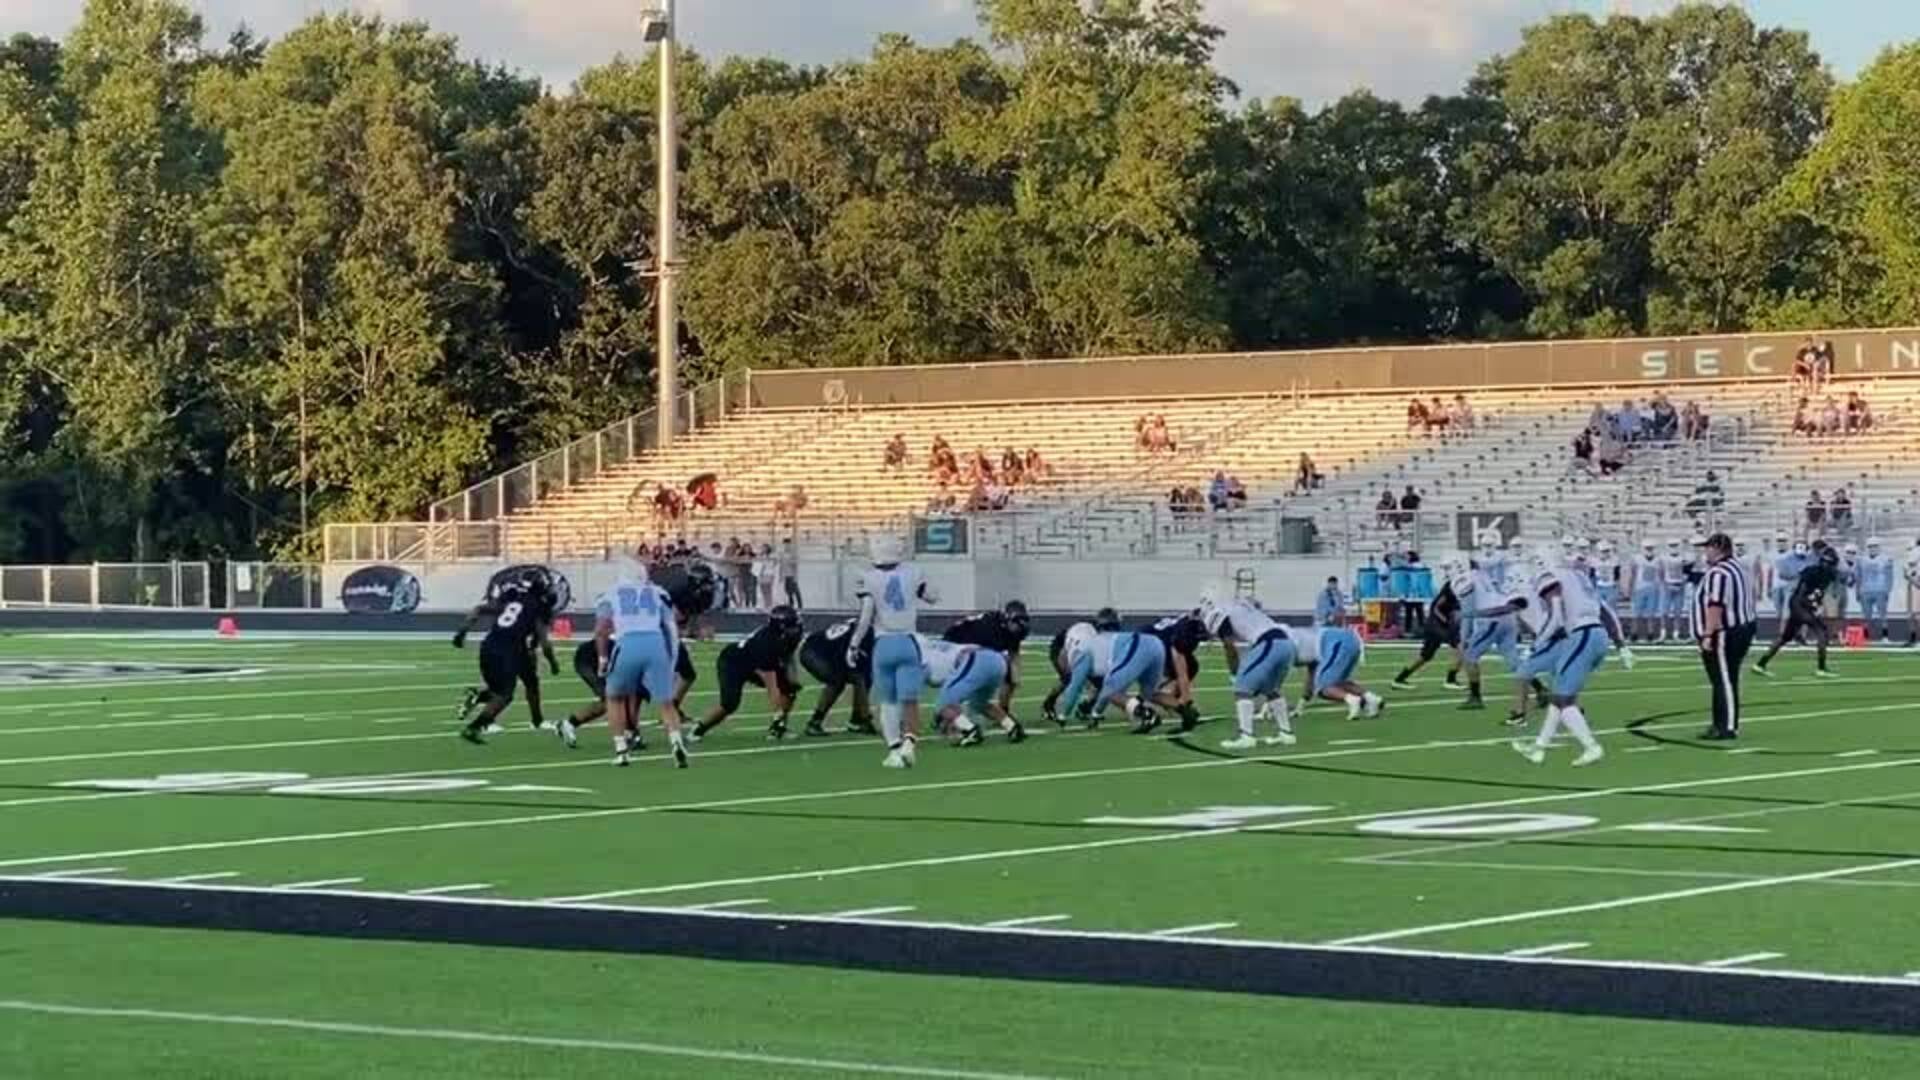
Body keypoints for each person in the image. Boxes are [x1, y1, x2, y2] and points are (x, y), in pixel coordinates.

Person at [1498, 565, 1632, 767]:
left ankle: (1591, 747)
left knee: (1564, 700)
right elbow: (1606, 611)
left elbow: (1556, 617)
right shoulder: (1580, 577)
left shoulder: (1550, 577)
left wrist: (1535, 646)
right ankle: (1539, 748)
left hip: (1582, 635)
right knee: (1559, 695)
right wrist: (1621, 645)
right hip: (1596, 635)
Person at [850, 534, 939, 768]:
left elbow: (866, 616)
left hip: (883, 644)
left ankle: (894, 750)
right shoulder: (912, 572)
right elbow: (933, 597)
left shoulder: (867, 578)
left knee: (887, 702)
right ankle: (910, 743)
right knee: (910, 699)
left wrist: (854, 643)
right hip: (909, 642)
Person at [593, 559, 689, 768]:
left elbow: (601, 630)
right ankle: (676, 742)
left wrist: (602, 659)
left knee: (615, 697)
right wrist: (671, 658)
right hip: (655, 643)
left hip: (628, 643)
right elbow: (671, 625)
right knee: (666, 702)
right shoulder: (656, 593)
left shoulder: (611, 594)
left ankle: (621, 750)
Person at [452, 569, 561, 742]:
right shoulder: (539, 606)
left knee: (528, 682)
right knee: (504, 695)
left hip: (490, 644)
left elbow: (479, 609)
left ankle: (536, 720)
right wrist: (554, 663)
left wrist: (462, 632)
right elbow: (544, 641)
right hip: (510, 649)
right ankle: (474, 727)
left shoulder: (512, 596)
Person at [689, 605, 806, 742]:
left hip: (755, 663)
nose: (796, 629)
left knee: (790, 688)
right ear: (780, 627)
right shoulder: (767, 643)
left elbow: (788, 656)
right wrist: (777, 712)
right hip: (733, 663)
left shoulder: (785, 638)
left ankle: (777, 729)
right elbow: (771, 686)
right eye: (792, 626)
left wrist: (793, 680)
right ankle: (699, 729)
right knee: (729, 704)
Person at [1200, 587, 1296, 750]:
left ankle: (1247, 736)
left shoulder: (1221, 613)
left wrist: (1234, 673)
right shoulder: (1240, 606)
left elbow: (1229, 646)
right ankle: (1286, 733)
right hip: (1286, 643)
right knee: (1270, 689)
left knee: (1242, 689)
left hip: (1270, 643)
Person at [1693, 533, 1757, 740]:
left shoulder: (1719, 573)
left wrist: (1708, 634)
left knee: (1724, 679)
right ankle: (1719, 722)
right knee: (1724, 679)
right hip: (1741, 627)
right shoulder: (1737, 568)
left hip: (1725, 631)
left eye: (1708, 548)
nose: (1705, 552)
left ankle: (1727, 726)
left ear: (1718, 548)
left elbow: (1716, 605)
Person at [1754, 540, 1841, 680]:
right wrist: (1809, 608)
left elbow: (1820, 591)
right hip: (1799, 604)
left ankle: (1761, 664)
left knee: (1785, 637)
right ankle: (1821, 668)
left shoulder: (1827, 573)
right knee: (1821, 631)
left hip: (1802, 605)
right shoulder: (1811, 571)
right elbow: (1802, 591)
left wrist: (1815, 605)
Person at [1058, 623, 1166, 735]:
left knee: (1112, 690)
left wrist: (1063, 715)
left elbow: (1075, 687)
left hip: (1138, 644)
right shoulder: (1096, 644)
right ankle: (1182, 710)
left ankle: (1148, 715)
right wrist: (1096, 713)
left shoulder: (1081, 652)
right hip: (1156, 644)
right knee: (1150, 694)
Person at [920, 635, 1024, 745]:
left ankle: (970, 731)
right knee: (979, 704)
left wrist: (944, 718)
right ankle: (1012, 727)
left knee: (943, 704)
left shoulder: (921, 660)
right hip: (997, 660)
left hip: (976, 660)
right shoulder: (931, 649)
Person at [942, 600, 1031, 719]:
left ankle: (1003, 710)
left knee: (1010, 678)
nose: (1019, 626)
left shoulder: (1012, 630)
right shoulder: (990, 628)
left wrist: (1016, 675)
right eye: (1016, 622)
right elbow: (982, 657)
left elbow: (1014, 653)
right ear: (1007, 618)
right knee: (972, 682)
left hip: (976, 648)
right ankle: (953, 714)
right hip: (957, 645)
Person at [1457, 559, 1523, 714]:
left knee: (1469, 656)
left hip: (1491, 619)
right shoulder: (1491, 575)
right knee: (1512, 658)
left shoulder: (1467, 578)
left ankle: (1475, 697)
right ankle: (1541, 690)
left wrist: (1463, 636)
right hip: (1509, 618)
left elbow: (1468, 606)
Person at [1391, 560, 1464, 691]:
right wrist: (1446, 623)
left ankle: (1399, 679)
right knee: (1461, 648)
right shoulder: (1452, 586)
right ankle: (1450, 680)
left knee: (1425, 656)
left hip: (1435, 624)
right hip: (1438, 624)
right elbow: (1436, 607)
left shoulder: (1461, 586)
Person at [1286, 623, 1382, 721]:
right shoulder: (1295, 640)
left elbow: (1311, 680)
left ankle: (1352, 700)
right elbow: (1311, 677)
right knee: (1338, 682)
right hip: (1350, 639)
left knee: (1322, 688)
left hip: (1336, 642)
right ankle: (1371, 698)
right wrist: (1300, 707)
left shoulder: (1291, 649)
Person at [799, 617, 875, 736]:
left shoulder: (865, 627)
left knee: (863, 678)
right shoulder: (868, 636)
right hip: (814, 651)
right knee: (837, 680)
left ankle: (856, 721)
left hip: (829, 652)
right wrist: (867, 717)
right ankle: (814, 722)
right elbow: (856, 671)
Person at [1139, 610, 1208, 731]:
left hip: (1159, 643)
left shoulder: (1183, 628)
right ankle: (1180, 706)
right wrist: (1186, 705)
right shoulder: (1178, 637)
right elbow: (1182, 674)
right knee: (1149, 692)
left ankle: (1176, 703)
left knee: (1192, 667)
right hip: (1152, 648)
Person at [1041, 616, 1101, 725]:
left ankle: (1085, 708)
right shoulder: (1086, 634)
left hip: (1079, 649)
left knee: (1099, 683)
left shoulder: (1093, 633)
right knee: (1068, 679)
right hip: (1061, 649)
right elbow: (1063, 655)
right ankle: (1048, 704)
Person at [1857, 537, 1895, 641]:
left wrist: (1888, 590)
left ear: (1879, 547)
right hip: (1865, 590)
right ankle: (1865, 636)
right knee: (1866, 616)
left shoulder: (1886, 559)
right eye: (1870, 546)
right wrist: (1858, 591)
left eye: (1875, 546)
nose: (1872, 548)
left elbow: (1890, 576)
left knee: (1882, 615)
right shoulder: (1861, 560)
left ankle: (1885, 636)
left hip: (1880, 589)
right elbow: (1859, 576)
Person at [1659, 539, 1690, 642]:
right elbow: (1661, 572)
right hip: (1667, 586)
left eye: (1675, 545)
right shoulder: (1664, 558)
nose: (1674, 547)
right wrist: (1664, 584)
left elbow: (1686, 573)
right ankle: (1663, 633)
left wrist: (1682, 584)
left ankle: (1676, 634)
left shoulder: (1683, 558)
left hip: (1679, 586)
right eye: (1672, 545)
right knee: (1664, 612)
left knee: (1678, 612)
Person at [1771, 536, 1809, 617]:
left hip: (1792, 588)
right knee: (1778, 609)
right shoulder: (1787, 557)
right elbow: (1778, 573)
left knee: (1788, 610)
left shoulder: (1807, 559)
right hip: (1777, 586)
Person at [779, 539, 802, 610]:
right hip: (786, 575)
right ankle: (791, 605)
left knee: (795, 590)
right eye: (785, 544)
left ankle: (800, 605)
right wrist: (781, 575)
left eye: (788, 544)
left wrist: (795, 576)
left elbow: (795, 565)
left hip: (791, 575)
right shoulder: (782, 554)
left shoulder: (793, 553)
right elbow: (781, 565)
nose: (786, 546)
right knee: (788, 591)